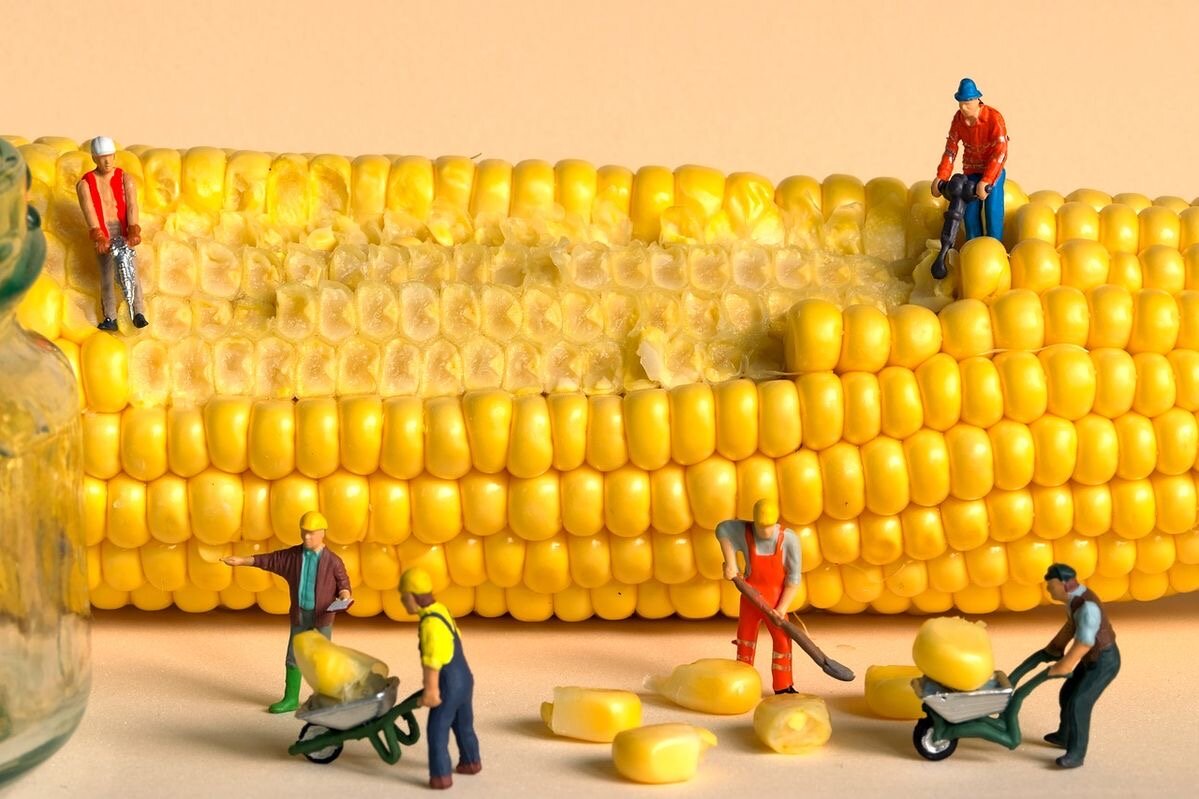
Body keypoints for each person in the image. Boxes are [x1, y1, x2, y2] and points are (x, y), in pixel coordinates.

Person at [222, 511, 351, 713]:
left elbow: (344, 584)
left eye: (311, 533)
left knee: (322, 658)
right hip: (300, 615)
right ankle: (291, 698)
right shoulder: (293, 556)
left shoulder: (333, 561)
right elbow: (270, 559)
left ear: (322, 533)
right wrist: (242, 560)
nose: (306, 537)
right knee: (293, 656)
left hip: (322, 617)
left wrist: (344, 596)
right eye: (303, 532)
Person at [399, 567, 481, 790]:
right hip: (465, 678)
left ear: (413, 597)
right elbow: (456, 638)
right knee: (464, 725)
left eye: (403, 597)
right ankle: (471, 761)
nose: (403, 602)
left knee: (437, 730)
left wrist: (431, 691)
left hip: (448, 683)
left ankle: (441, 776)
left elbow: (433, 662)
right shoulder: (441, 610)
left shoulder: (429, 624)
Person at [716, 499, 802, 694]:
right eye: (761, 527)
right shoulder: (745, 531)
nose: (765, 532)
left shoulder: (789, 539)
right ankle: (743, 684)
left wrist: (781, 609)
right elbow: (722, 529)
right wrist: (731, 563)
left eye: (769, 527)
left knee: (782, 641)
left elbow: (793, 579)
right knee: (745, 640)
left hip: (776, 600)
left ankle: (783, 686)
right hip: (749, 598)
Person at [1040, 563, 1120, 769]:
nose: (1048, 589)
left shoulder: (1087, 608)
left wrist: (1065, 665)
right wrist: (1055, 647)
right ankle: (1064, 735)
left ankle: (1076, 754)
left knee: (1080, 702)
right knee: (1067, 693)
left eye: (1051, 586)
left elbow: (1084, 642)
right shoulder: (1073, 601)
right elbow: (1071, 626)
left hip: (1104, 661)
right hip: (1090, 658)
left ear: (1065, 584)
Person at [74, 136, 148, 331]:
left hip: (123, 229)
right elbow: (89, 211)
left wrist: (134, 229)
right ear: (94, 158)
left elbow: (132, 205)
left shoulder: (126, 179)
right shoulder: (85, 184)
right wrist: (98, 236)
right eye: (102, 158)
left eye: (110, 157)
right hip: (103, 231)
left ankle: (138, 312)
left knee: (132, 271)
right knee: (106, 276)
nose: (107, 162)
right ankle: (110, 317)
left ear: (114, 156)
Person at [931, 78, 1009, 242]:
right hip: (971, 172)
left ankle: (995, 245)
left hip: (992, 173)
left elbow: (1000, 151)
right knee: (969, 212)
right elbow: (951, 149)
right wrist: (942, 176)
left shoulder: (994, 118)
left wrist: (987, 180)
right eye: (960, 103)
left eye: (967, 103)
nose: (962, 107)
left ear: (977, 100)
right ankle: (973, 245)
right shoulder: (958, 119)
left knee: (992, 210)